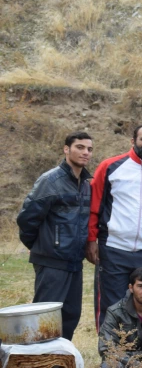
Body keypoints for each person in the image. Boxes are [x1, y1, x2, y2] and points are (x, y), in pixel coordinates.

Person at [87, 125, 142, 330]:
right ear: (133, 141)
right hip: (113, 248)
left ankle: (139, 354)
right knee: (111, 305)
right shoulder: (110, 166)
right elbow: (94, 206)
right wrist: (91, 239)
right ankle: (110, 355)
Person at [17, 131, 93, 340]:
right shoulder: (50, 180)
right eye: (80, 147)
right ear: (66, 149)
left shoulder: (87, 184)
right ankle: (37, 365)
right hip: (52, 261)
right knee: (45, 317)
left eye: (89, 149)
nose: (85, 152)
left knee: (70, 315)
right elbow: (27, 218)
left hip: (75, 261)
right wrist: (43, 245)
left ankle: (58, 364)